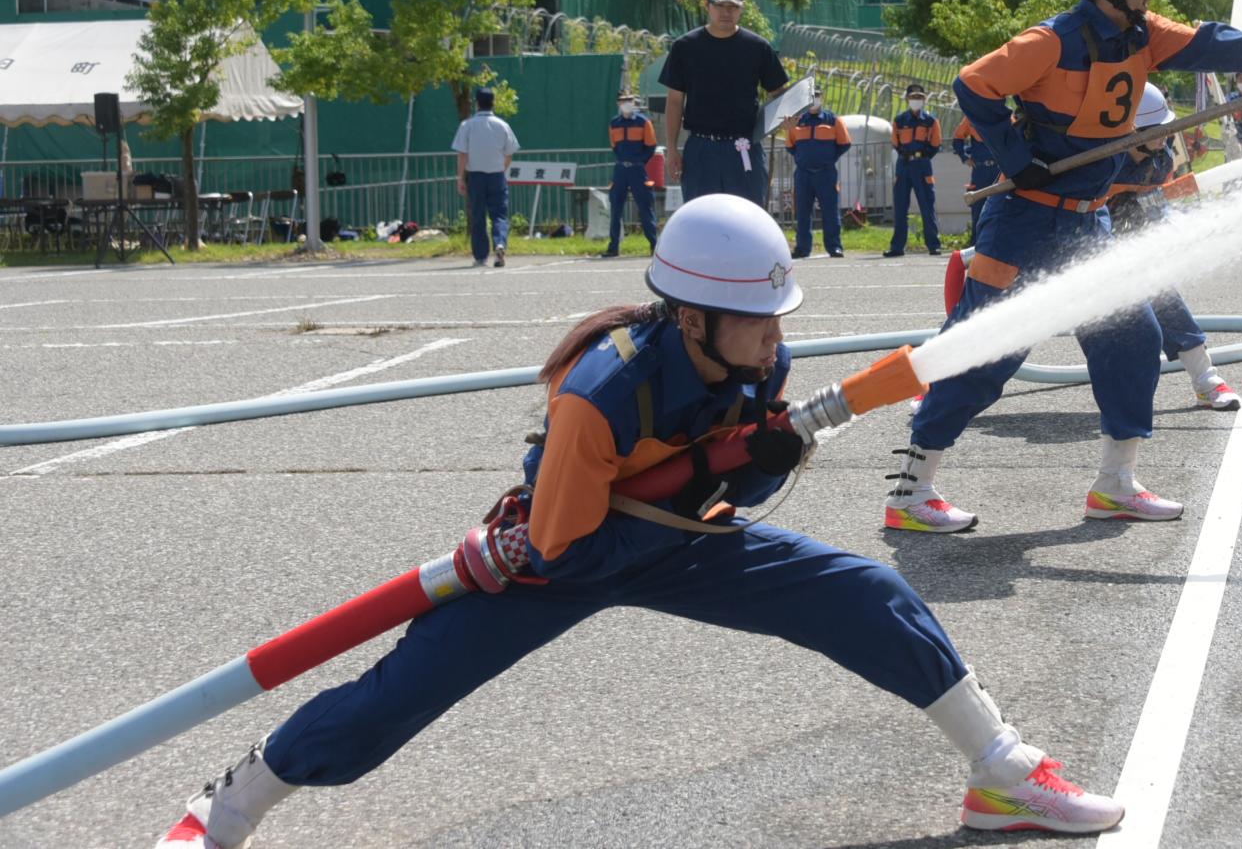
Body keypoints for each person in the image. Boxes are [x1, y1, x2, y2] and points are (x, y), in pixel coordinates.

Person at [152, 196, 1123, 847]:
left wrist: (757, 462)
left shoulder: (758, 362)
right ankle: (224, 811)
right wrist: (716, 473)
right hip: (558, 555)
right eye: (758, 320)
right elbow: (577, 544)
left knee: (866, 593)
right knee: (392, 700)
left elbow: (725, 500)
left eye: (778, 320)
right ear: (691, 316)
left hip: (676, 540)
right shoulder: (601, 395)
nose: (775, 338)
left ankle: (999, 773)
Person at [884, 0, 1242, 532]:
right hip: (1023, 225)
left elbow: (1215, 42)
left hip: (1089, 225)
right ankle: (911, 493)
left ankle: (1115, 484)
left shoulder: (1144, 35)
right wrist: (1019, 162)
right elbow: (973, 84)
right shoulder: (1052, 40)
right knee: (984, 354)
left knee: (1132, 341)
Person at [1105, 85, 1242, 409]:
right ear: (1131, 131)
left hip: (1134, 245)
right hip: (1093, 247)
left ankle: (1206, 380)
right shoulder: (1103, 162)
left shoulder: (1161, 158)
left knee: (1164, 297)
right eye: (1157, 130)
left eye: (1168, 128)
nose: (1166, 136)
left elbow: (1155, 207)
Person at [661, 0, 792, 205]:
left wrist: (789, 117)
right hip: (701, 150)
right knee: (701, 220)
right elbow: (674, 101)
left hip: (744, 147)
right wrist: (672, 149)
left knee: (749, 220)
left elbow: (780, 92)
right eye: (719, 5)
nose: (726, 12)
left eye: (733, 7)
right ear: (707, 6)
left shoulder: (757, 47)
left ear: (742, 9)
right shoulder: (685, 47)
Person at [453, 86, 519, 268]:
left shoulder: (467, 125)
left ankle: (481, 256)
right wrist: (501, 169)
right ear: (494, 103)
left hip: (476, 176)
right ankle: (500, 243)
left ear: (477, 104)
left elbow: (462, 154)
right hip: (497, 175)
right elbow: (510, 153)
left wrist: (460, 177)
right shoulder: (502, 125)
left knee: (478, 216)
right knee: (499, 214)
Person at [785, 90, 851, 257]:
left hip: (826, 174)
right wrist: (802, 159)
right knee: (802, 212)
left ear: (823, 98)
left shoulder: (834, 120)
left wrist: (828, 159)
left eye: (818, 95)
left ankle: (834, 246)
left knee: (830, 211)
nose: (814, 99)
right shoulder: (797, 121)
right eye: (812, 96)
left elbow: (845, 144)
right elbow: (790, 146)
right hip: (803, 174)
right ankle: (802, 248)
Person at [886, 84, 944, 257]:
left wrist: (922, 156)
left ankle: (933, 245)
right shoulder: (899, 120)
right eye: (913, 97)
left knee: (927, 206)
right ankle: (897, 247)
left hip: (922, 165)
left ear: (924, 100)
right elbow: (895, 142)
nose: (916, 101)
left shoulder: (931, 121)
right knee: (900, 208)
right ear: (907, 99)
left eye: (919, 97)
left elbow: (935, 144)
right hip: (903, 165)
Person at [600, 92, 658, 259]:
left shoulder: (643, 122)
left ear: (634, 102)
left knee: (645, 208)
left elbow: (651, 146)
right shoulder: (614, 123)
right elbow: (614, 147)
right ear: (618, 103)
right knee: (616, 208)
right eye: (623, 101)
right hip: (620, 170)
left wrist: (639, 162)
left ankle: (655, 246)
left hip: (637, 170)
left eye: (629, 100)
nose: (626, 103)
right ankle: (613, 247)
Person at [954, 114, 1001, 237]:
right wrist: (964, 158)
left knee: (1001, 206)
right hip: (980, 170)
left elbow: (1015, 136)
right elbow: (957, 139)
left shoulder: (1003, 115)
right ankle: (976, 243)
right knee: (978, 206)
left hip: (999, 169)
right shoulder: (971, 117)